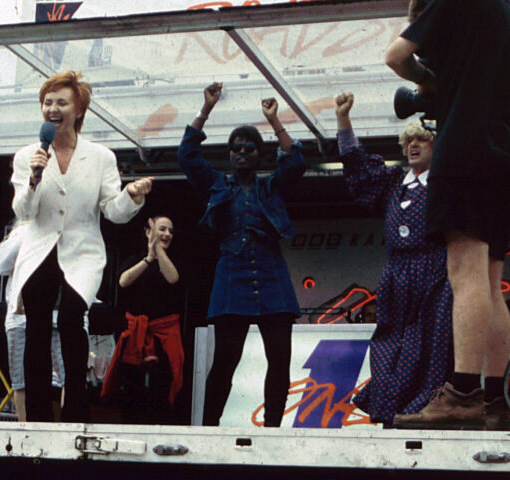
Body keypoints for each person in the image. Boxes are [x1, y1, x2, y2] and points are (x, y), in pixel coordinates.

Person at [385, 0, 510, 429]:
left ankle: (462, 393)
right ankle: (494, 400)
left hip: (465, 148)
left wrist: (430, 82)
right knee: (490, 280)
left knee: (464, 273)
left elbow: (396, 57)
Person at [9, 70, 152, 422]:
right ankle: (40, 415)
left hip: (83, 251)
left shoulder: (101, 156)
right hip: (40, 248)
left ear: (79, 110)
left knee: (74, 317)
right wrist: (33, 178)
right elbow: (24, 212)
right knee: (37, 327)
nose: (53, 109)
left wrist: (130, 197)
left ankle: (76, 406)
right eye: (47, 102)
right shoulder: (28, 155)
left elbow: (113, 212)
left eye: (61, 102)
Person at [178, 82, 306, 428]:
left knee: (279, 360)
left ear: (259, 155)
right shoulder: (217, 185)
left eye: (250, 148)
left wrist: (275, 120)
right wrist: (206, 109)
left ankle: (274, 431)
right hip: (231, 276)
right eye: (236, 148)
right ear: (230, 154)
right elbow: (187, 155)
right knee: (225, 360)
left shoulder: (272, 186)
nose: (243, 152)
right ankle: (208, 428)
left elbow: (296, 161)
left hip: (273, 277)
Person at [335, 92, 453, 425]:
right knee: (390, 342)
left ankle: (425, 411)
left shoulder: (445, 182)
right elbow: (356, 164)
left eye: (422, 140)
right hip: (397, 273)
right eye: (409, 140)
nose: (414, 145)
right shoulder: (392, 182)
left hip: (436, 270)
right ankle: (389, 412)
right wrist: (343, 119)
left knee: (431, 342)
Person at [101, 216, 185, 424]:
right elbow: (123, 281)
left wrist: (159, 252)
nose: (167, 234)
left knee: (162, 387)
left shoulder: (175, 261)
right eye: (162, 229)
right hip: (137, 334)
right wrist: (148, 257)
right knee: (132, 387)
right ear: (148, 232)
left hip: (163, 334)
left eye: (170, 231)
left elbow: (173, 278)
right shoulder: (135, 260)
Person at [0, 220, 65, 422]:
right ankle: (25, 433)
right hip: (20, 317)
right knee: (20, 381)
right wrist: (29, 229)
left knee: (67, 378)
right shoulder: (21, 231)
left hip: (55, 316)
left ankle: (66, 433)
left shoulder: (61, 229)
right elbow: (3, 265)